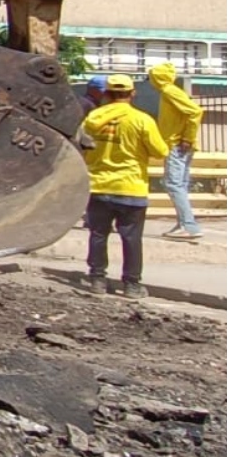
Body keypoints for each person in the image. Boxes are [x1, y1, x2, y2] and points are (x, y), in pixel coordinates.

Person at [81, 74, 168, 299]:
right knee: (131, 238)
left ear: (107, 94)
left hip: (98, 186)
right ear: (132, 93)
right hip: (131, 187)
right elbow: (160, 151)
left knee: (98, 235)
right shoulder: (142, 120)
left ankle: (97, 280)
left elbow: (79, 143)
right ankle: (131, 285)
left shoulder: (92, 118)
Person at [149, 62, 204, 241]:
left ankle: (188, 225)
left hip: (177, 145)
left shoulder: (169, 92)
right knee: (179, 184)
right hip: (179, 145)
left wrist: (187, 137)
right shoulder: (171, 91)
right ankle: (184, 223)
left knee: (174, 184)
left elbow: (195, 112)